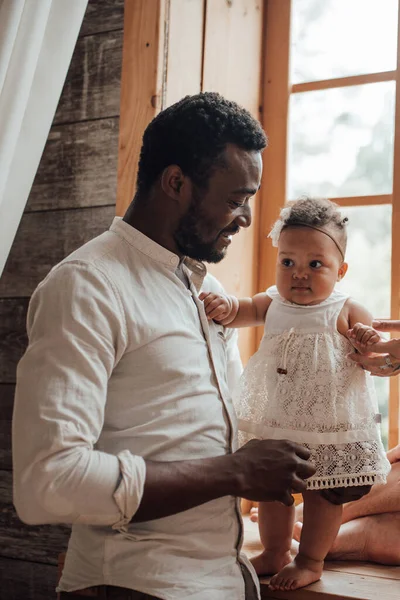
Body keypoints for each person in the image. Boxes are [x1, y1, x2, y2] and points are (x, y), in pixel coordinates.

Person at [13, 92, 323, 600]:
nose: (246, 218)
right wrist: (235, 472)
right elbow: (47, 483)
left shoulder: (211, 295)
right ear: (176, 182)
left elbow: (215, 432)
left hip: (229, 581)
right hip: (133, 586)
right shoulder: (86, 286)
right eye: (234, 199)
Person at [200, 197, 391, 592]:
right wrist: (224, 306)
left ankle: (310, 560)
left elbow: (373, 352)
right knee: (273, 491)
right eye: (288, 262)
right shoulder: (273, 302)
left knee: (325, 496)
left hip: (331, 424)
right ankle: (274, 551)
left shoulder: (347, 308)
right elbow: (242, 310)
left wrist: (369, 338)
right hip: (279, 420)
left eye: (315, 264)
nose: (299, 274)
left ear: (341, 270)